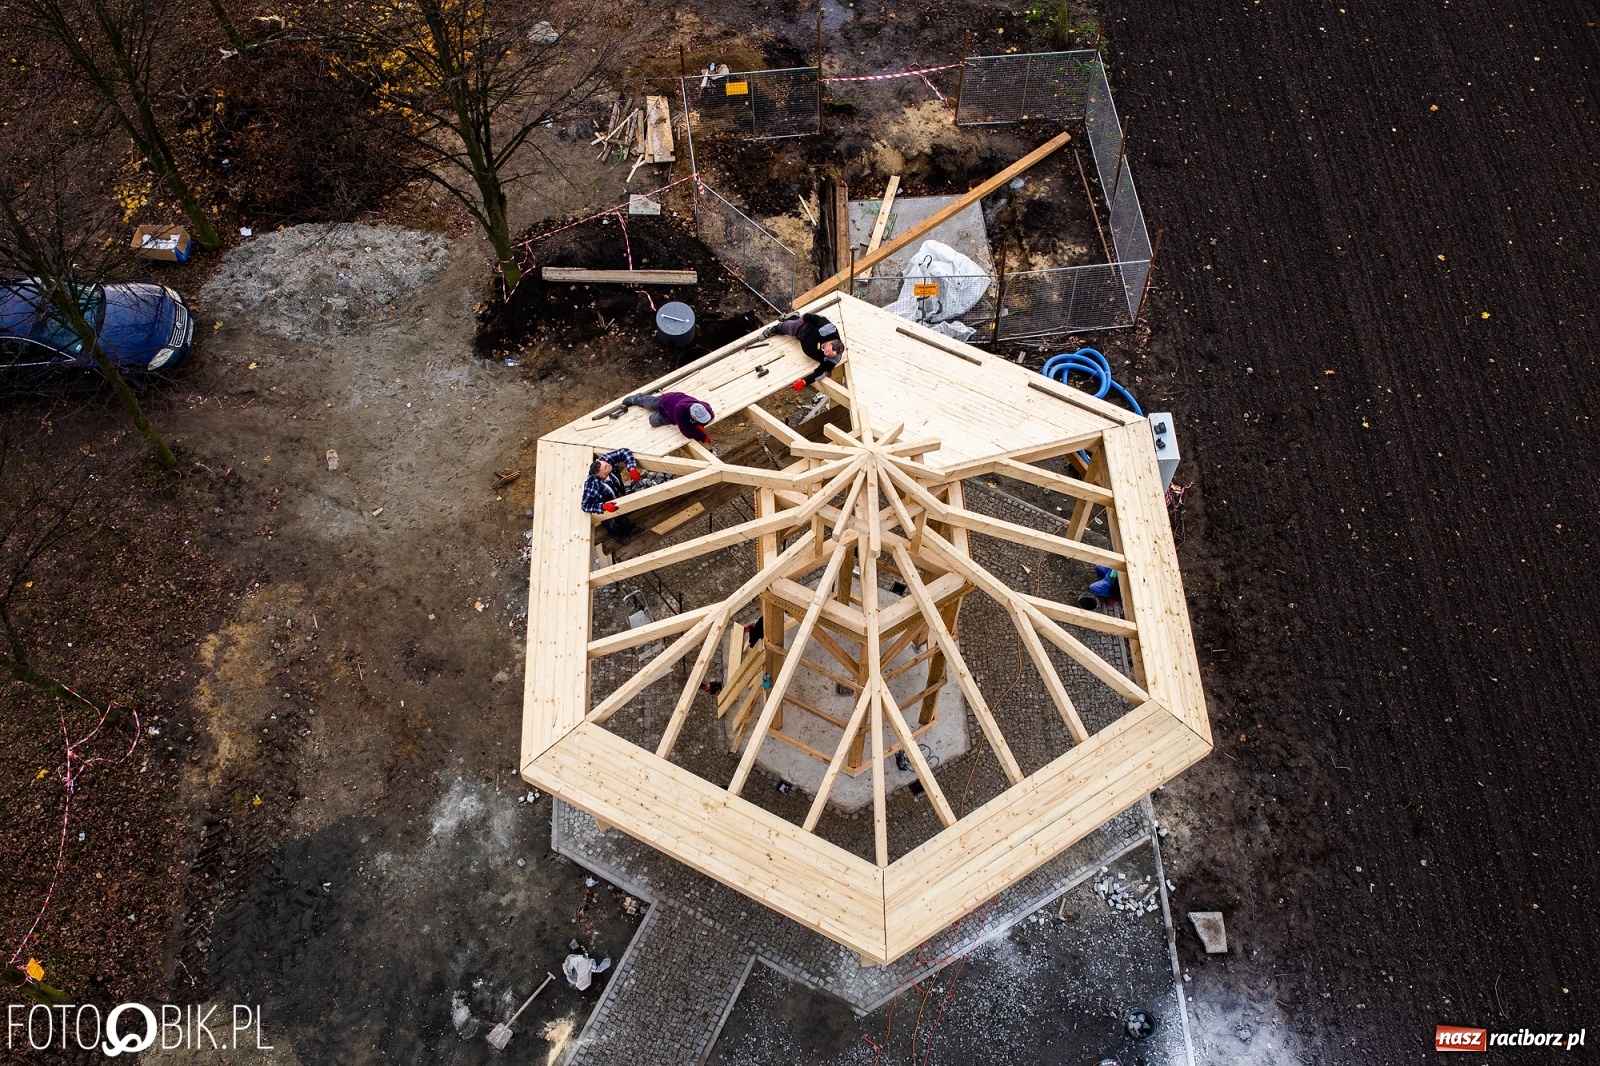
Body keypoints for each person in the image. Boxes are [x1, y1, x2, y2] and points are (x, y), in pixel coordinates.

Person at [760, 313, 845, 390]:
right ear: (829, 342)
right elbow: (817, 318)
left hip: (803, 340)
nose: (826, 354)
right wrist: (805, 317)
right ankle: (775, 329)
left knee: (792, 324)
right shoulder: (828, 330)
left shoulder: (834, 359)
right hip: (803, 329)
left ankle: (793, 317)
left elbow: (821, 372)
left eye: (830, 355)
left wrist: (804, 382)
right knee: (787, 327)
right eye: (827, 351)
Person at [581, 448, 644, 543]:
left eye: (606, 464)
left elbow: (624, 452)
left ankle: (628, 529)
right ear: (602, 475)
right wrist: (603, 506)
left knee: (622, 517)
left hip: (618, 498)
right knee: (610, 524)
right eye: (606, 467)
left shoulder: (604, 462)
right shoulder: (592, 486)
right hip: (606, 508)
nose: (609, 465)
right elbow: (585, 506)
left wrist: (632, 468)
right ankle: (617, 535)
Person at [620, 391, 714, 444]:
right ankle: (636, 398)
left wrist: (699, 424)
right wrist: (702, 436)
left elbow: (710, 415)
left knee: (655, 420)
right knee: (652, 417)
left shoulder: (705, 409)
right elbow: (685, 431)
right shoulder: (680, 409)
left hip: (678, 401)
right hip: (666, 403)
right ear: (693, 416)